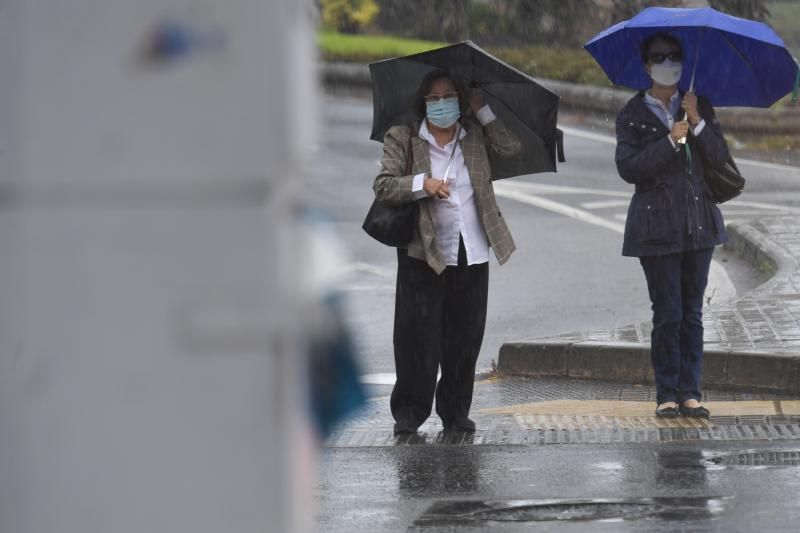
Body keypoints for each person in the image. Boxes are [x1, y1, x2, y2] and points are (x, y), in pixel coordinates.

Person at [373, 69, 521, 435]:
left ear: (460, 99)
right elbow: (383, 185)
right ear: (423, 103)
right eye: (434, 98)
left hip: (471, 250)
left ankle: (455, 412)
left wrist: (483, 111)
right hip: (423, 251)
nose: (442, 104)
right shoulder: (404, 137)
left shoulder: (474, 136)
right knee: (416, 338)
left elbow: (510, 150)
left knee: (464, 339)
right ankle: (409, 412)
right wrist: (424, 184)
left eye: (449, 96)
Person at [615, 33, 731, 419]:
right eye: (659, 57)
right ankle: (667, 393)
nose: (668, 62)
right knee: (668, 313)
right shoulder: (632, 113)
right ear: (647, 66)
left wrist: (696, 121)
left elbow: (718, 157)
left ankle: (691, 392)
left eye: (674, 56)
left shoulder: (697, 105)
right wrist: (668, 140)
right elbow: (629, 169)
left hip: (699, 223)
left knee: (693, 313)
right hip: (656, 227)